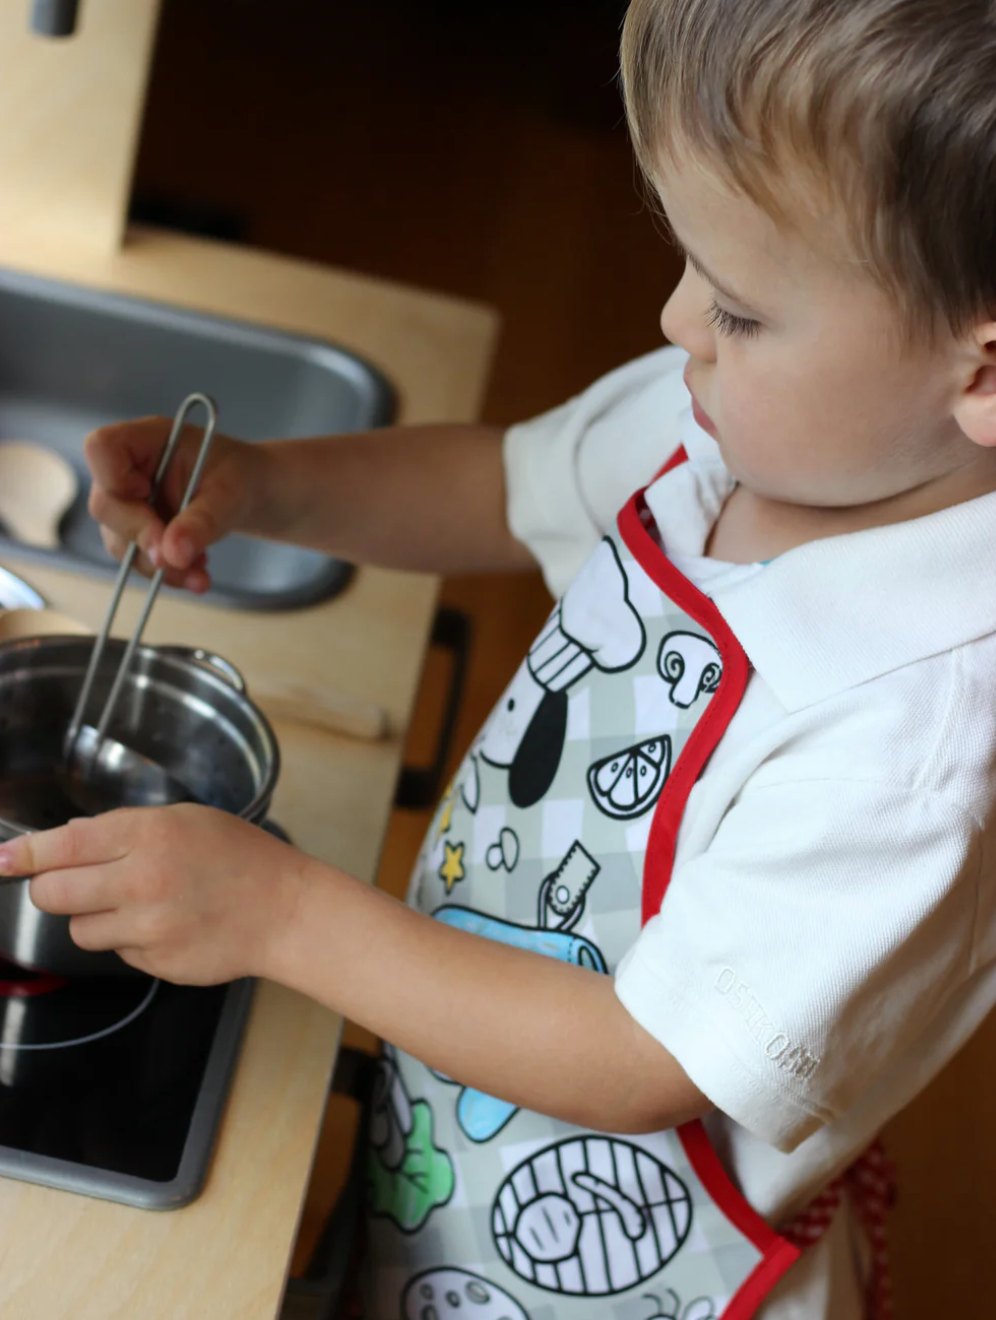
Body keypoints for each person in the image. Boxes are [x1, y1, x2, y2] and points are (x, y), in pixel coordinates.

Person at [3, 0, 996, 1314]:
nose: (676, 318)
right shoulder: (732, 424)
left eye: (742, 309)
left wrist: (286, 914)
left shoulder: (913, 745)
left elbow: (645, 1056)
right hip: (463, 1141)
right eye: (685, 259)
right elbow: (499, 482)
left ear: (981, 369)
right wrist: (268, 488)